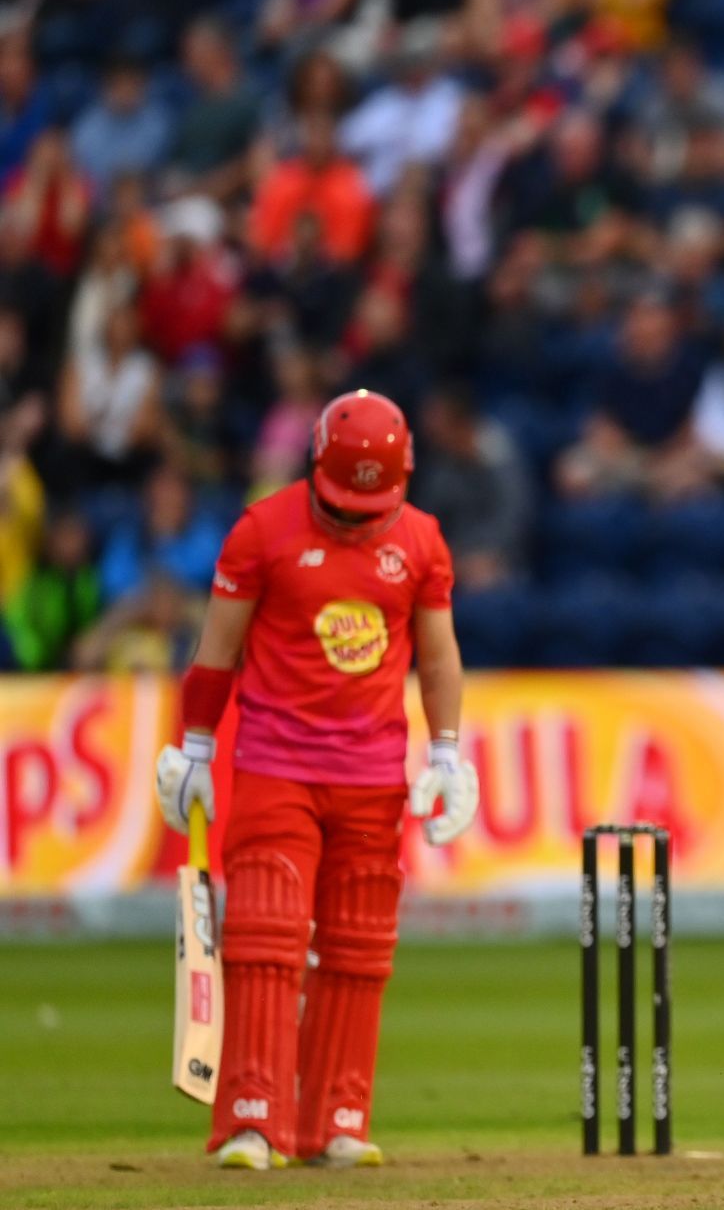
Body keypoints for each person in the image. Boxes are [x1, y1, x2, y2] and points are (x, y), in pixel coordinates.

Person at [150, 390, 479, 1169]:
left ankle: (338, 1116)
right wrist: (195, 747)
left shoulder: (425, 542)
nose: (354, 521)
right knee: (264, 937)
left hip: (371, 776)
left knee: (359, 948)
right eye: (341, 505)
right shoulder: (261, 530)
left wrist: (447, 754)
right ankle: (252, 1120)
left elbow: (438, 657)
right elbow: (216, 648)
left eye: (369, 509)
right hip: (275, 765)